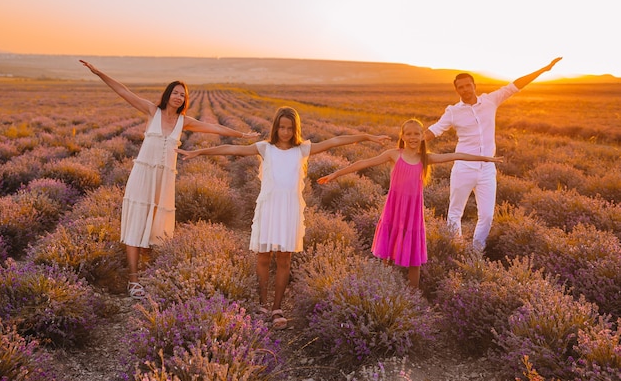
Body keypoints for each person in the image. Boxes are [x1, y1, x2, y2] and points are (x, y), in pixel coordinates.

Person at [176, 106, 390, 329]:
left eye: (290, 128)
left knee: (284, 260)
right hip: (269, 207)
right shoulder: (265, 148)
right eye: (281, 127)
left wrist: (367, 136)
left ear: (295, 129)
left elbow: (336, 141)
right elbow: (231, 148)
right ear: (275, 127)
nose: (285, 132)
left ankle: (277, 308)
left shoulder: (302, 150)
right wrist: (199, 152)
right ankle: (261, 305)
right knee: (263, 258)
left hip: (290, 210)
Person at [79, 60, 258, 300]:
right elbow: (123, 92)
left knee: (155, 228)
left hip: (163, 181)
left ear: (185, 100)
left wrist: (242, 134)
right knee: (135, 225)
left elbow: (215, 128)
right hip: (143, 176)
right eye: (175, 93)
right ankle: (133, 281)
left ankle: (149, 276)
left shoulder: (184, 122)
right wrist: (99, 72)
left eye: (182, 95)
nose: (178, 97)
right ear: (168, 94)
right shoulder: (153, 111)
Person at [318, 119, 503, 288]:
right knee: (388, 252)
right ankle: (385, 287)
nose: (413, 137)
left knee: (414, 258)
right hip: (394, 208)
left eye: (417, 134)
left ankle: (414, 295)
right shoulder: (394, 154)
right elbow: (364, 163)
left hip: (413, 211)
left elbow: (456, 155)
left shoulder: (426, 158)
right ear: (403, 136)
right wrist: (336, 174)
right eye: (409, 134)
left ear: (423, 136)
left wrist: (486, 159)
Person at [424, 57, 562, 251]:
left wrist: (543, 70)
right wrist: (411, 143)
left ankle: (476, 252)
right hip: (464, 168)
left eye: (468, 85)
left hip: (487, 169)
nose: (465, 89)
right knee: (455, 212)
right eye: (460, 87)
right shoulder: (453, 112)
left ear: (474, 85)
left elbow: (515, 86)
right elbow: (435, 130)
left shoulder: (490, 101)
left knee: (487, 215)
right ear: (457, 90)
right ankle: (454, 250)